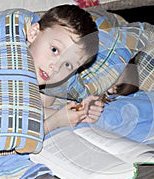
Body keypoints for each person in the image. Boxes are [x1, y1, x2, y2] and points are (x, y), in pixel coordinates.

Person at [26, 5, 104, 134]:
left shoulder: (50, 85)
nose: (56, 67)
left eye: (67, 64)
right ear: (33, 33)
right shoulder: (3, 63)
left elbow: (28, 110)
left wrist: (80, 113)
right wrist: (54, 122)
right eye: (54, 50)